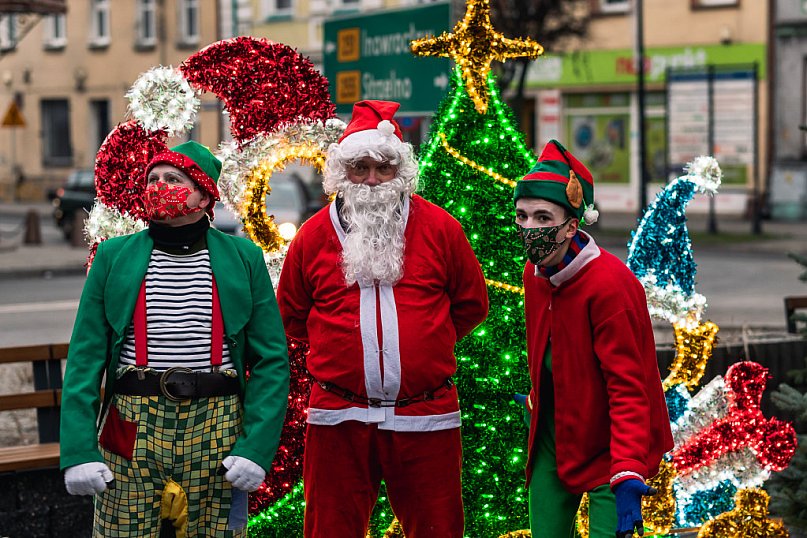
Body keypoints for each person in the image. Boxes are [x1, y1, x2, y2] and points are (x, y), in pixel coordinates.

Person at [276, 100, 489, 538]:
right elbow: (291, 316)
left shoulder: (441, 228)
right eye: (359, 168)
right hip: (338, 416)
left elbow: (471, 304)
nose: (372, 179)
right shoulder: (313, 237)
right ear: (340, 173)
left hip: (426, 414)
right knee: (330, 529)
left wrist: (426, 343)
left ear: (401, 171)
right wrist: (338, 352)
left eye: (384, 168)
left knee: (437, 528)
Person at [59, 141, 290, 537]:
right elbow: (85, 358)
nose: (158, 186)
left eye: (173, 178)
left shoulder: (243, 256)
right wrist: (78, 450)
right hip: (132, 420)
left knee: (215, 531)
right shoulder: (113, 256)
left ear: (204, 194)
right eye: (152, 179)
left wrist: (255, 448)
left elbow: (271, 360)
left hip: (218, 422)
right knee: (122, 531)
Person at [513, 140, 673, 538]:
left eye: (542, 217)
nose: (530, 228)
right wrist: (539, 395)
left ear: (572, 224)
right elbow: (548, 351)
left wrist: (628, 469)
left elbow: (629, 387)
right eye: (522, 216)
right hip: (554, 435)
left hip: (611, 447)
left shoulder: (610, 287)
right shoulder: (534, 277)